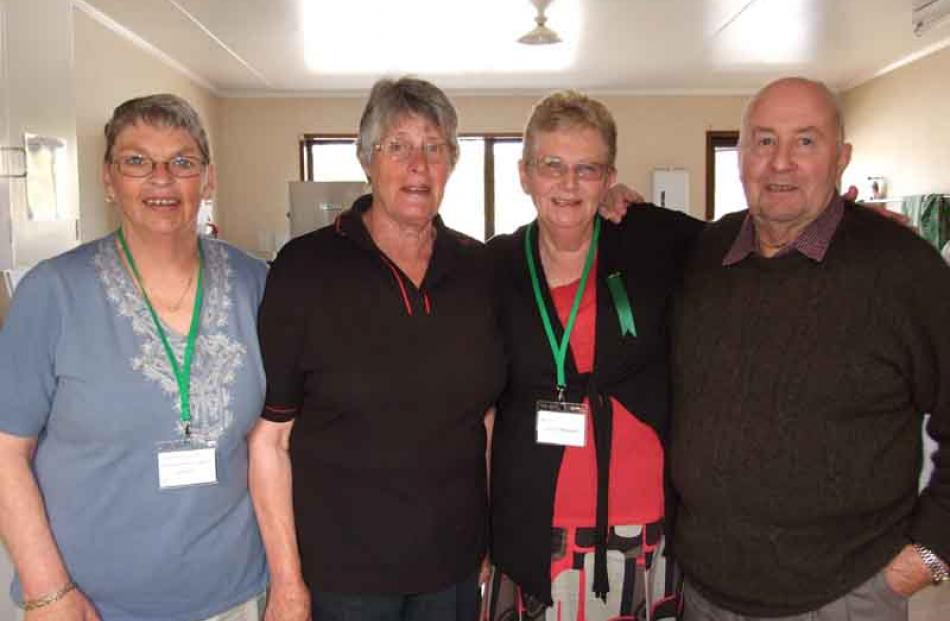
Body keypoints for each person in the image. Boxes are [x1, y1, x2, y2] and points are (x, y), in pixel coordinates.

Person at [671, 77, 950, 620]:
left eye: (805, 141)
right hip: (704, 593)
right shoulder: (703, 254)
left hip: (845, 598)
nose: (780, 163)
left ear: (841, 157)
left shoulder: (904, 271)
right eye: (764, 140)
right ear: (741, 154)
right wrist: (610, 196)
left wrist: (930, 559)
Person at [0, 94, 268, 620]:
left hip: (233, 595)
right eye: (137, 161)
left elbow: (271, 440)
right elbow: (6, 452)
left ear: (207, 179)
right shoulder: (53, 292)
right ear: (108, 178)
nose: (161, 178)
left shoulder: (256, 285)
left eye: (183, 162)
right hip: (88, 602)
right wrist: (47, 590)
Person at [250, 77, 505, 621]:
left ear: (451, 163)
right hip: (343, 575)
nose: (418, 164)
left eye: (434, 147)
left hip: (452, 565)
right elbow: (270, 441)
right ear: (367, 159)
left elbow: (485, 420)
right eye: (399, 145)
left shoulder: (480, 268)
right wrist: (287, 581)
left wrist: (485, 542)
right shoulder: (306, 268)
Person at [483, 91, 702, 621]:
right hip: (535, 526)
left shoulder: (652, 243)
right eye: (552, 165)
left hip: (646, 524)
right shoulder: (493, 266)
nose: (568, 183)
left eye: (587, 169)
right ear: (524, 173)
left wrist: (855, 227)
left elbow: (751, 242)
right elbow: (480, 409)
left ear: (609, 177)